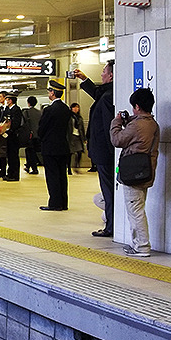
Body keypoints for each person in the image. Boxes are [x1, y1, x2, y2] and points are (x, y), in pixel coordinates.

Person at [110, 88, 159, 257]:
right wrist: (129, 120)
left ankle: (142, 246)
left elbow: (117, 140)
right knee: (137, 208)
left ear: (137, 106)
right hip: (145, 171)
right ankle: (137, 243)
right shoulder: (152, 123)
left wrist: (116, 122)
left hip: (133, 173)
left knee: (136, 210)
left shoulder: (137, 125)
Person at [74, 60, 115, 237]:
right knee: (108, 190)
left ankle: (111, 226)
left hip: (105, 154)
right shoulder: (107, 93)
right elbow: (98, 92)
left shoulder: (107, 98)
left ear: (111, 75)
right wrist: (84, 79)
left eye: (104, 72)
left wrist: (111, 153)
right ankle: (112, 223)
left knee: (108, 190)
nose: (101, 74)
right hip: (105, 153)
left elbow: (107, 128)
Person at [38, 80, 72, 211]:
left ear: (52, 93)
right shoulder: (66, 109)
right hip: (63, 146)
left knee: (52, 176)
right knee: (62, 175)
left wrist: (41, 137)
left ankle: (55, 203)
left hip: (50, 147)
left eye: (49, 91)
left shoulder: (49, 110)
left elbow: (42, 129)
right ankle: (63, 202)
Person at [3, 91, 22, 181]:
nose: (5, 101)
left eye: (7, 99)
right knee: (9, 156)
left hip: (14, 136)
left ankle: (14, 175)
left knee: (14, 156)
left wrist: (9, 131)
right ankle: (9, 173)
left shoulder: (16, 110)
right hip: (8, 136)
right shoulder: (7, 109)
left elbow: (16, 124)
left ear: (10, 100)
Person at [22, 96, 41, 174]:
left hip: (29, 135)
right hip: (38, 135)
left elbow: (23, 124)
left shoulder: (26, 112)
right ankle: (28, 166)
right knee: (32, 151)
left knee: (30, 151)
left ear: (28, 103)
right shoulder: (40, 112)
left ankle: (34, 168)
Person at [68, 102, 86, 174]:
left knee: (79, 152)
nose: (76, 109)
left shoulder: (79, 118)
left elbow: (82, 129)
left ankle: (76, 166)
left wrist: (84, 138)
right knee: (70, 153)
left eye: (77, 107)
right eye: (74, 107)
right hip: (71, 136)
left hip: (78, 136)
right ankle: (69, 168)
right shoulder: (69, 117)